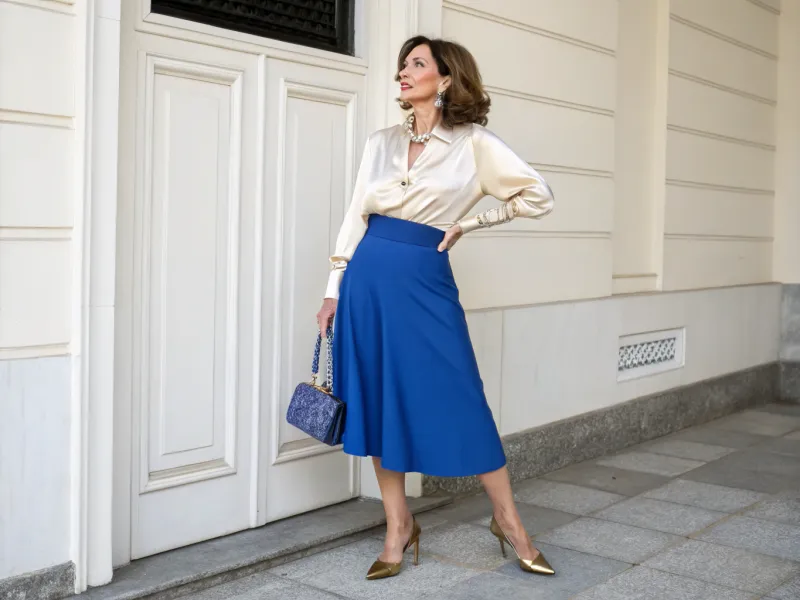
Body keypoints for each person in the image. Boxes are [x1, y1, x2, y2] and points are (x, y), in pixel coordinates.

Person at [316, 35, 555, 580]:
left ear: (445, 78)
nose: (404, 72)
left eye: (417, 64)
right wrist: (333, 287)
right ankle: (398, 526)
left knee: (461, 396)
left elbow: (538, 195)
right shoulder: (379, 142)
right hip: (368, 278)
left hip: (424, 278)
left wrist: (472, 222)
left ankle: (509, 522)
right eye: (403, 64)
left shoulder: (475, 144)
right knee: (377, 400)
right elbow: (356, 214)